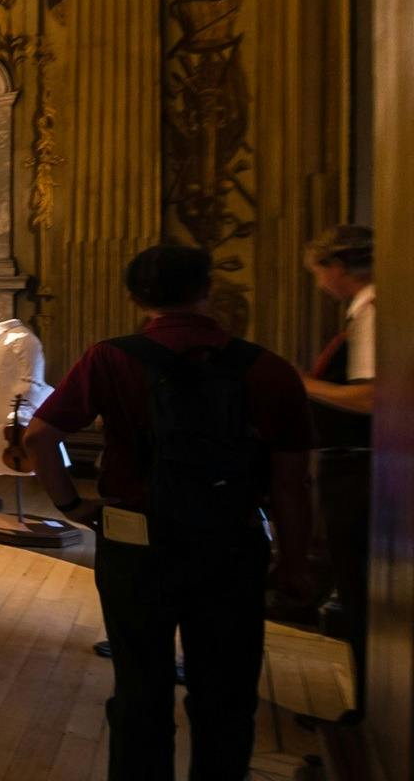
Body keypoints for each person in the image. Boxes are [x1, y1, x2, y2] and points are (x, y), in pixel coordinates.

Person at [24, 245, 312, 781]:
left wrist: (71, 504)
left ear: (134, 296)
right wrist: (294, 561)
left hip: (136, 541)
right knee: (225, 694)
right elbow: (292, 483)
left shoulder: (109, 358)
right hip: (230, 542)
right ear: (208, 290)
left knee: (139, 688)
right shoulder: (268, 369)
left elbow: (40, 437)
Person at [301, 225, 375, 717]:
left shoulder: (371, 309)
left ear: (339, 267)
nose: (319, 282)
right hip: (353, 466)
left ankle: (371, 709)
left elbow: (372, 397)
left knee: (360, 589)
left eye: (319, 271)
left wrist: (302, 384)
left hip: (361, 470)